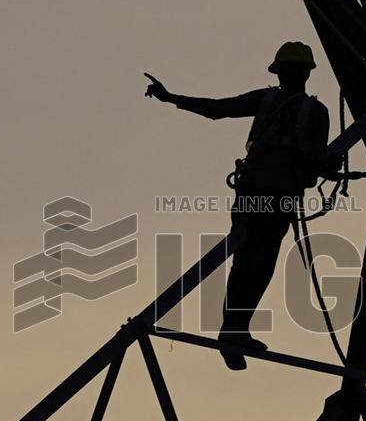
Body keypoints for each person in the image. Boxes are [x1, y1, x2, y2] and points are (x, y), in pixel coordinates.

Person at [145, 42, 341, 370]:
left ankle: (234, 331)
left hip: (254, 193)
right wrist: (330, 166)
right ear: (307, 72)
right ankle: (234, 331)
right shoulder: (315, 112)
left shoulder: (266, 100)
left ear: (280, 73)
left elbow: (218, 109)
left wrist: (171, 98)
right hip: (277, 197)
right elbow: (316, 161)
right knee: (259, 263)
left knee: (248, 259)